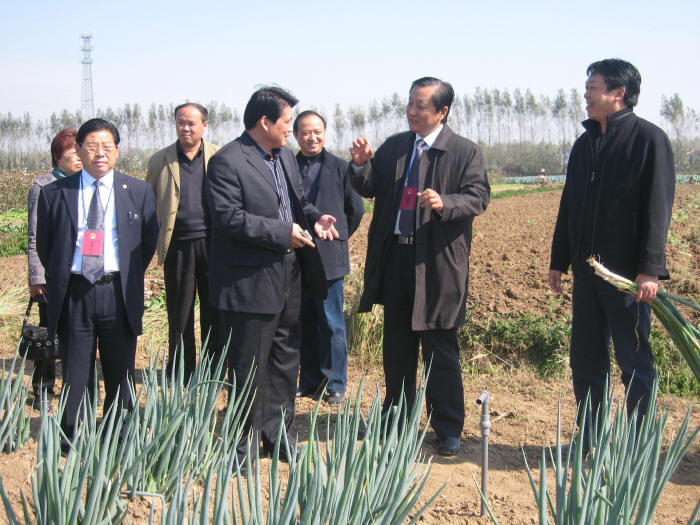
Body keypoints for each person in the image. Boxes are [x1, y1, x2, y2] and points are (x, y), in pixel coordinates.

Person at [349, 77, 490, 456]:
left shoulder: (463, 151)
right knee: (397, 346)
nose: (411, 111)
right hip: (396, 257)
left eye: (420, 106)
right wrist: (361, 165)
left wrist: (446, 203)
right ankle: (396, 419)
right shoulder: (396, 146)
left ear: (442, 112)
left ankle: (447, 427)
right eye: (410, 104)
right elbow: (369, 186)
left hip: (437, 262)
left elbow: (479, 196)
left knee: (440, 346)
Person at [206, 87, 338, 462]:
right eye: (286, 122)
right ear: (264, 122)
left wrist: (315, 218)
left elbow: (297, 202)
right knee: (248, 367)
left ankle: (278, 434)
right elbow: (228, 218)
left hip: (288, 274)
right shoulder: (228, 161)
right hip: (249, 281)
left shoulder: (285, 158)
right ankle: (242, 444)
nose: (290, 130)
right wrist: (282, 233)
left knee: (284, 358)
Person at [548, 59, 675, 434]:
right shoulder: (584, 145)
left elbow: (658, 208)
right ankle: (589, 441)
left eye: (593, 88)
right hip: (587, 274)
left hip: (626, 279)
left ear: (618, 92)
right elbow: (569, 205)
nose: (586, 95)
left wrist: (649, 269)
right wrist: (559, 260)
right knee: (586, 362)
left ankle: (636, 447)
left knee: (634, 363)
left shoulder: (648, 140)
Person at [36, 118, 158, 440]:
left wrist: (123, 275)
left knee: (120, 371)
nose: (99, 153)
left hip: (118, 293)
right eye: (91, 146)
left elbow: (146, 244)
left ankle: (119, 436)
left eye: (106, 146)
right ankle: (74, 436)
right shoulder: (54, 193)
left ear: (117, 150)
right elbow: (47, 247)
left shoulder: (139, 192)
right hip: (75, 293)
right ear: (78, 150)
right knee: (76, 373)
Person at [293, 110, 364, 405]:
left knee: (332, 322)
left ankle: (335, 383)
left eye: (318, 131)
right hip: (296, 254)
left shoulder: (339, 167)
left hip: (329, 256)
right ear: (296, 135)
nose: (312, 137)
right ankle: (310, 380)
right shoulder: (287, 166)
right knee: (304, 321)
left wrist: (338, 237)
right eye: (306, 132)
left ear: (325, 133)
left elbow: (355, 210)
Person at [147, 103, 221, 381]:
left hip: (213, 245)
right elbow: (150, 201)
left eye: (191, 123)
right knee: (179, 312)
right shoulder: (161, 160)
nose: (185, 128)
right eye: (180, 122)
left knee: (215, 310)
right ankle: (182, 371)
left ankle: (214, 369)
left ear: (204, 125)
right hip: (178, 245)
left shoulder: (219, 156)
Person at [27, 129, 82, 397]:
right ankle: (43, 388)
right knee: (48, 333)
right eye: (73, 153)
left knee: (77, 331)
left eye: (80, 152)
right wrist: (37, 276)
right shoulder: (43, 187)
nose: (79, 158)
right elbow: (35, 235)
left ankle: (76, 386)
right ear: (57, 157)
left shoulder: (85, 183)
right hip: (52, 274)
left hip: (79, 272)